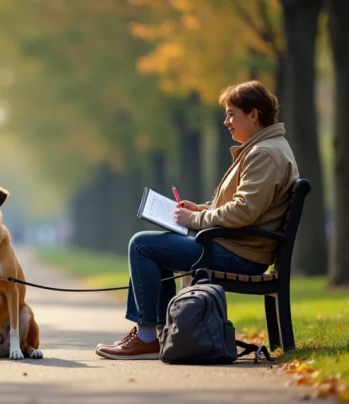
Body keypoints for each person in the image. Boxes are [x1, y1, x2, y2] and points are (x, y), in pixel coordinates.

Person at [96, 80, 299, 360]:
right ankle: (165, 333)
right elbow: (245, 206)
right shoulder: (265, 148)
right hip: (239, 246)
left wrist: (195, 218)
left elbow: (243, 212)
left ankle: (146, 337)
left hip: (241, 254)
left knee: (142, 245)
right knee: (154, 249)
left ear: (253, 115)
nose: (226, 121)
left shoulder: (264, 153)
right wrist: (201, 208)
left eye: (231, 114)